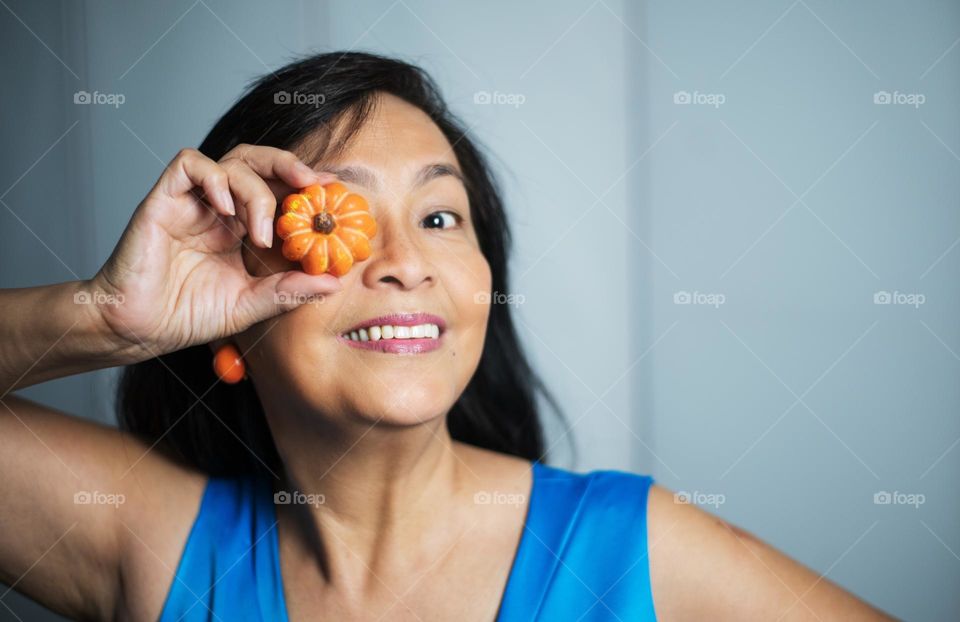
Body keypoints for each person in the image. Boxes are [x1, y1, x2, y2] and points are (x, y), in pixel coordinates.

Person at [0, 51, 893, 621]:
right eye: (336, 218)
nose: (405, 263)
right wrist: (107, 315)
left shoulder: (639, 550)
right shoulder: (150, 544)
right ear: (230, 308)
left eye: (438, 218)